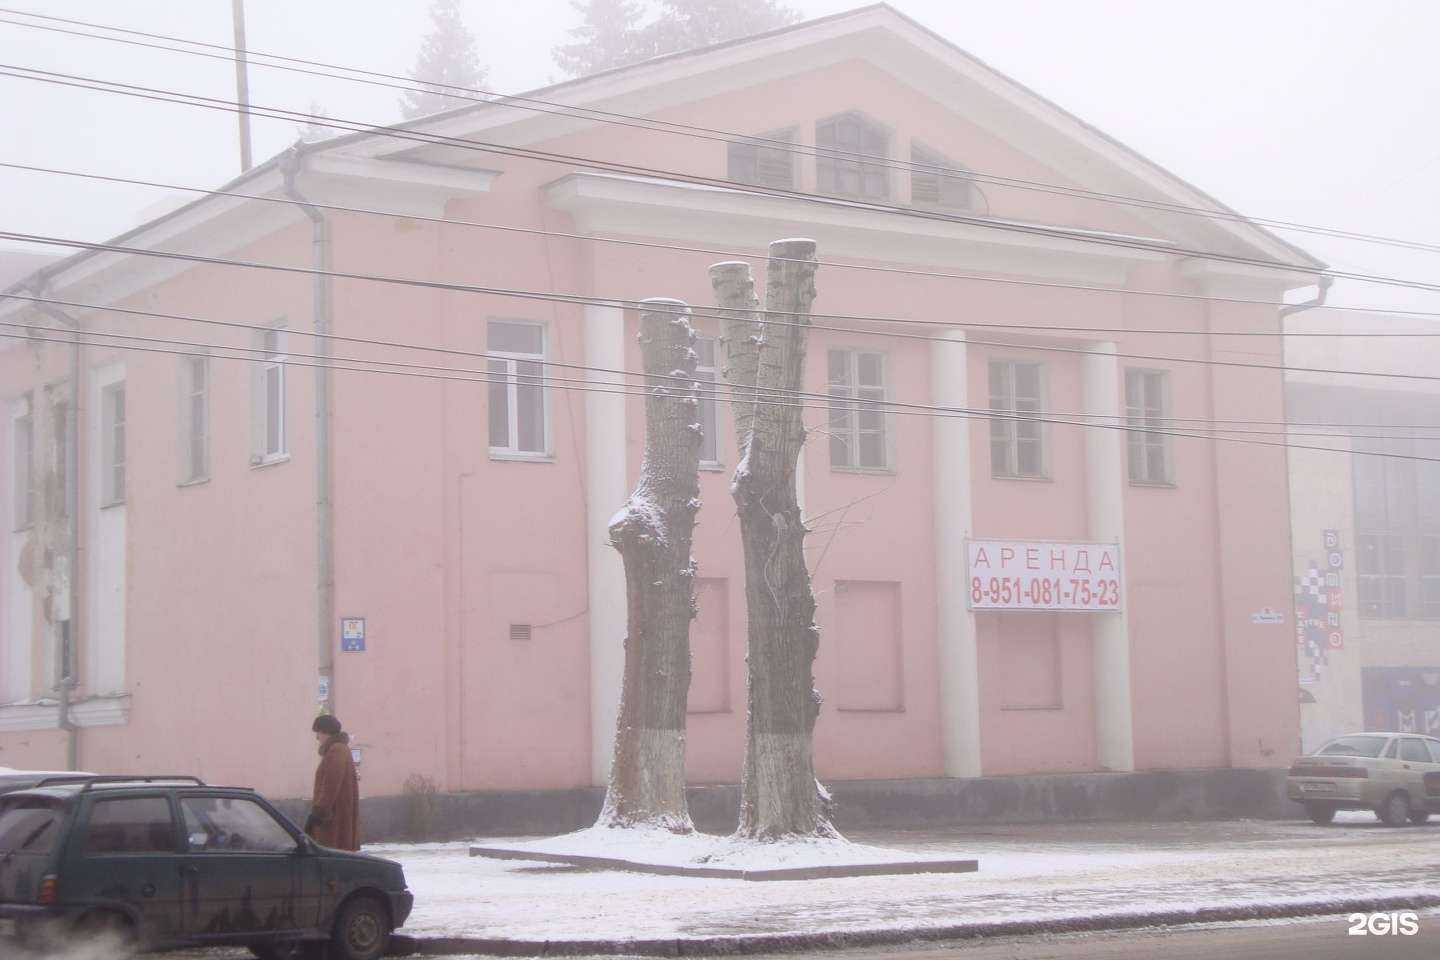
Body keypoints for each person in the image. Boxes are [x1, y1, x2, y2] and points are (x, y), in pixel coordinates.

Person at [305, 714, 360, 851]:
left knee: (331, 857)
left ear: (325, 731)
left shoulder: (337, 750)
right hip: (335, 818)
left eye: (318, 732)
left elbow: (331, 785)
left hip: (334, 822)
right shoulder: (339, 749)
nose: (317, 737)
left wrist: (318, 813)